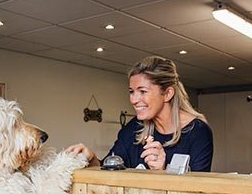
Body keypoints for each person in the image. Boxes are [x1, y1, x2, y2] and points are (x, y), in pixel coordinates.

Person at [68, 56, 213, 172]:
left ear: (167, 94)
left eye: (143, 91)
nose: (133, 100)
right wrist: (91, 159)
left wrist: (163, 170)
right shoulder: (134, 127)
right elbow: (111, 168)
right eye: (132, 92)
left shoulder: (197, 132)